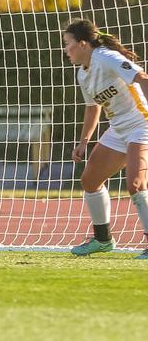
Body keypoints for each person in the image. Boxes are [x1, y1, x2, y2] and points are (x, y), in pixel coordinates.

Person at [64, 19, 148, 259]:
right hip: (118, 129)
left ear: (83, 43)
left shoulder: (106, 57)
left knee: (135, 184)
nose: (65, 50)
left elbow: (142, 77)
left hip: (141, 123)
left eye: (68, 43)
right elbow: (93, 108)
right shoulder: (82, 74)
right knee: (90, 180)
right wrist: (83, 142)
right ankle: (103, 240)